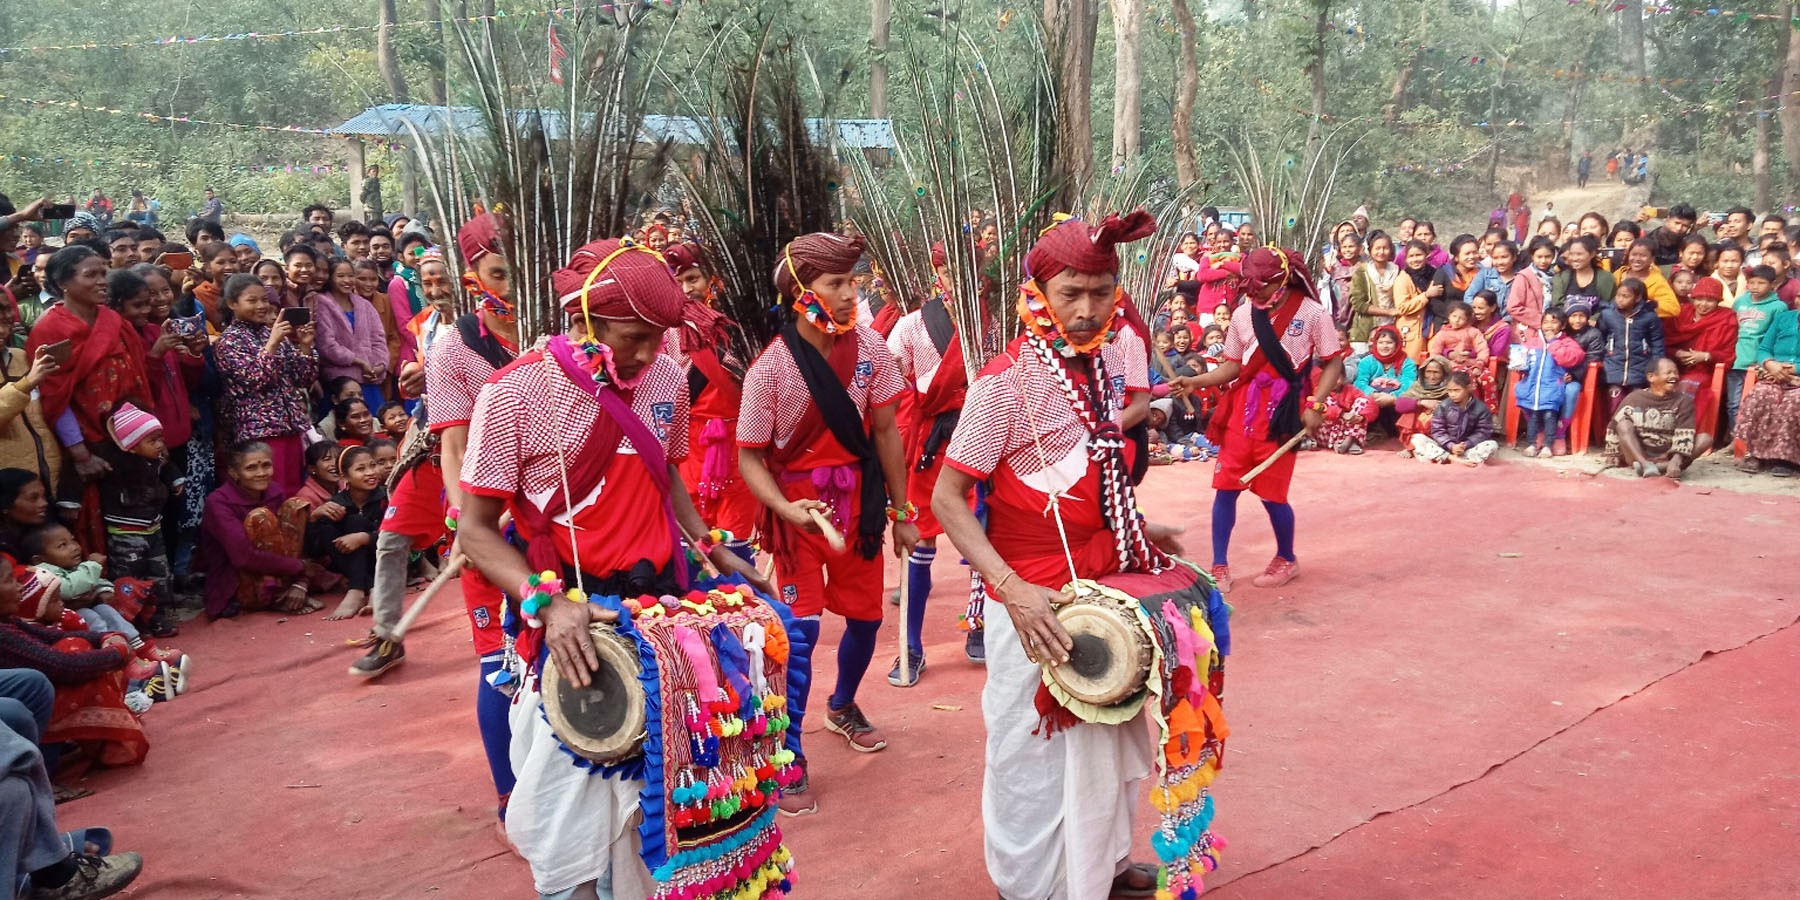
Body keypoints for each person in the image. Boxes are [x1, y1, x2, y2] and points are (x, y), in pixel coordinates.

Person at [456, 237, 761, 899]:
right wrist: (548, 605)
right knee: (563, 836)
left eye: (659, 337)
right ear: (583, 321)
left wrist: (711, 547)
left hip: (663, 624)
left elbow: (667, 478)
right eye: (633, 337)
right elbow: (475, 533)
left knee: (665, 824)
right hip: (576, 629)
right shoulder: (514, 394)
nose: (649, 352)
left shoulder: (667, 376)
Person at [929, 209, 1191, 900]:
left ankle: (1100, 867)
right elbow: (948, 499)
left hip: (1105, 589)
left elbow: (1088, 476)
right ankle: (1027, 887)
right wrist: (1009, 588)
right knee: (1032, 755)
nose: (1084, 309)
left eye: (1100, 293)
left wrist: (1137, 525)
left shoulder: (1104, 367)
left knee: (1109, 737)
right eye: (1070, 292)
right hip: (1033, 601)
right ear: (1037, 294)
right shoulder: (1003, 384)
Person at [738, 231, 916, 807]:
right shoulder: (769, 369)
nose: (849, 293)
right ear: (799, 292)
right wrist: (784, 507)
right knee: (800, 634)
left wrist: (902, 510)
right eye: (835, 283)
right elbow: (749, 454)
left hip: (858, 510)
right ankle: (787, 749)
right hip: (799, 515)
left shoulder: (870, 348)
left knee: (865, 622)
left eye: (852, 281)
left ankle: (842, 705)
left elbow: (886, 431)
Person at [1174, 245, 1345, 592]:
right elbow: (1232, 367)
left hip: (1282, 413)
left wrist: (1316, 405)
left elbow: (1333, 362)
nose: (1252, 292)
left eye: (1260, 286)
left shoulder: (1312, 312)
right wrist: (1196, 381)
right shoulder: (1241, 313)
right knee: (1225, 489)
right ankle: (1219, 565)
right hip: (1242, 412)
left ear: (1280, 280)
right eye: (1248, 285)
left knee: (1273, 495)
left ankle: (1287, 557)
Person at [27, 246, 154, 554]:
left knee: (138, 518)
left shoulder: (113, 319)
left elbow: (138, 373)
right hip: (87, 444)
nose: (102, 281)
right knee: (94, 522)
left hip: (129, 437)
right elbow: (55, 394)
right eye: (91, 275)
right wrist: (81, 454)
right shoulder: (51, 327)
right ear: (64, 283)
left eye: (103, 272)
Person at [886, 250, 975, 680]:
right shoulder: (912, 325)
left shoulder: (994, 322)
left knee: (988, 536)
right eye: (948, 270)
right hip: (931, 446)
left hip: (982, 438)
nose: (956, 278)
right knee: (920, 544)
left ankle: (980, 626)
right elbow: (888, 385)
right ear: (937, 273)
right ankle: (912, 645)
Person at [0, 561, 148, 770]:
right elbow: (65, 666)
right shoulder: (3, 634)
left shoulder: (8, 622)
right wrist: (116, 652)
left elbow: (52, 636)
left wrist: (108, 637)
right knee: (59, 666)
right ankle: (43, 769)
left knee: (77, 646)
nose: (19, 587)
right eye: (9, 581)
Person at [661, 244, 757, 563]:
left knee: (737, 545)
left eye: (694, 278)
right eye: (679, 283)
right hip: (688, 448)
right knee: (691, 547)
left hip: (739, 447)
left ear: (713, 279)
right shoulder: (664, 333)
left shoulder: (740, 325)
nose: (688, 290)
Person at [213, 274, 317, 495]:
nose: (261, 306)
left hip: (290, 426)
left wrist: (306, 348)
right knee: (271, 492)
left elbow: (302, 379)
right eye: (252, 301)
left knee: (295, 491)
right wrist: (272, 344)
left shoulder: (272, 333)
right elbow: (256, 379)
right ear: (232, 304)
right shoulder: (229, 341)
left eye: (264, 300)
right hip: (259, 431)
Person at [198, 441, 322, 618]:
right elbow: (243, 556)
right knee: (260, 517)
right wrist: (298, 567)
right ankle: (278, 596)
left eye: (266, 465)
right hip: (238, 577)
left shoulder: (274, 491)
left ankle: (292, 588)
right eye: (251, 468)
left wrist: (300, 581)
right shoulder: (218, 502)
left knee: (296, 506)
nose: (261, 473)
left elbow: (291, 539)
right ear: (234, 473)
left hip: (280, 567)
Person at [93, 403, 180, 634]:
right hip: (126, 534)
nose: (160, 445)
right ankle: (133, 623)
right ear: (131, 446)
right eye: (152, 441)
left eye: (160, 438)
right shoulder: (116, 465)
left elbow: (168, 470)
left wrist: (176, 480)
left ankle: (159, 617)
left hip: (154, 529)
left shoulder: (156, 461)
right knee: (130, 580)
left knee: (160, 575)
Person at [305, 446, 384, 619]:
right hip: (349, 565)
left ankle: (361, 588)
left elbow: (398, 536)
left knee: (356, 523)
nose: (370, 473)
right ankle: (365, 588)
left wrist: (365, 538)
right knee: (332, 526)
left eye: (373, 465)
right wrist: (314, 517)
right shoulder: (337, 503)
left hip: (384, 562)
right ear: (344, 477)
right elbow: (313, 548)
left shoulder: (387, 498)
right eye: (361, 469)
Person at [1667, 276, 1738, 441]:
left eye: (1710, 300)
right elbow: (1665, 341)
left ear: (1718, 302)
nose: (1703, 305)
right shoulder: (1681, 313)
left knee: (1686, 386)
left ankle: (1681, 435)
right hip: (1675, 366)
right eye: (1699, 299)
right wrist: (1677, 353)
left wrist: (1705, 356)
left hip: (1705, 371)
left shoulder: (1726, 318)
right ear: (1693, 297)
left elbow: (1728, 353)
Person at [313, 259, 388, 413]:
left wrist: (379, 365)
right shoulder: (321, 304)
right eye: (340, 276)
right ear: (331, 278)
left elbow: (378, 338)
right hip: (340, 382)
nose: (347, 280)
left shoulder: (364, 305)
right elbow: (327, 345)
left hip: (369, 380)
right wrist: (358, 361)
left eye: (350, 275)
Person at [1605, 358, 1700, 479]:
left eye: (1676, 372)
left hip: (1668, 454)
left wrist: (1675, 460)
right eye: (1668, 373)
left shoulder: (1684, 401)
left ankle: (1664, 467)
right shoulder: (1634, 398)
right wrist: (1613, 453)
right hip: (1637, 453)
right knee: (1623, 425)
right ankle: (1645, 465)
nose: (1674, 376)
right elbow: (1613, 426)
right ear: (1651, 377)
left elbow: (1685, 434)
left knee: (1705, 439)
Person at [1736, 299, 1800, 476]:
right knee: (1761, 394)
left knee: (1794, 402)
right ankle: (1757, 453)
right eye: (1799, 296)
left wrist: (1794, 369)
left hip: (1797, 378)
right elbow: (1764, 348)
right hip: (1774, 373)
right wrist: (1770, 363)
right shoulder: (1783, 318)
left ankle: (1786, 458)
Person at [1513, 311, 1586, 457]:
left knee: (1549, 415)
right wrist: (1519, 361)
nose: (1549, 326)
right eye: (1545, 322)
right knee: (1530, 410)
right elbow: (1519, 363)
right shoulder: (1533, 342)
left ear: (1563, 325)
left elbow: (1570, 359)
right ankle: (1535, 439)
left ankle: (1555, 439)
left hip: (1552, 388)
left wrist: (1553, 343)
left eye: (1554, 322)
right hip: (1533, 386)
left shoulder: (1568, 343)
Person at [1728, 265, 1787, 435]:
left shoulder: (1778, 307)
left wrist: (1767, 360)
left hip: (1758, 362)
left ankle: (1751, 439)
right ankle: (1735, 437)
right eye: (1751, 282)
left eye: (1761, 283)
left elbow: (1775, 337)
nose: (1755, 286)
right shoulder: (1740, 302)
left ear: (1772, 284)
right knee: (1733, 402)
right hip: (1736, 359)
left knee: (1753, 402)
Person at [1598, 278, 1666, 416]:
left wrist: (1656, 365)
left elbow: (1657, 341)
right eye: (1618, 295)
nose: (1620, 300)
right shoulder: (1608, 314)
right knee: (1615, 403)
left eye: (1625, 296)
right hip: (1614, 366)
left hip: (1640, 367)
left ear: (1638, 298)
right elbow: (1601, 337)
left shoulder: (1649, 317)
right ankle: (1614, 432)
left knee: (1638, 405)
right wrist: (1604, 356)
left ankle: (1636, 432)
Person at [1410, 371, 1496, 466]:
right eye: (1449, 390)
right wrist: (1451, 445)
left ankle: (1449, 458)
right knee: (1417, 438)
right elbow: (1437, 431)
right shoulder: (1443, 406)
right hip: (1445, 446)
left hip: (1467, 448)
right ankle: (1456, 459)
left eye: (1456, 390)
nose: (1452, 394)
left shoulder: (1481, 408)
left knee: (1492, 445)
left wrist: (1465, 444)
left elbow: (1483, 432)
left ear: (1469, 388)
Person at [1348, 231, 1401, 347]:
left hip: (1391, 327)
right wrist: (1388, 312)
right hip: (1365, 329)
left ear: (1391, 250)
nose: (1381, 252)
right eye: (1377, 248)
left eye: (1385, 248)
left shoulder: (1397, 271)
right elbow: (1358, 304)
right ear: (1370, 250)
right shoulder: (1362, 272)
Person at [1390, 240, 1438, 359]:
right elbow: (1402, 307)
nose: (1415, 259)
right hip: (1411, 331)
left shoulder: (1435, 274)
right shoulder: (1404, 278)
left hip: (1433, 328)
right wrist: (1425, 296)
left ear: (1427, 255)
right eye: (1411, 256)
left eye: (1418, 255)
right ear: (1406, 258)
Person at [1617, 239, 1679, 319]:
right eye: (1634, 254)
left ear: (1652, 259)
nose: (1637, 259)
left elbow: (1673, 308)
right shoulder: (1618, 274)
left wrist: (1643, 306)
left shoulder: (1657, 281)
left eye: (1643, 256)